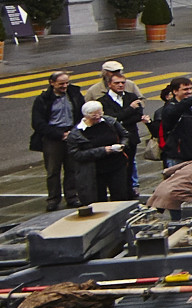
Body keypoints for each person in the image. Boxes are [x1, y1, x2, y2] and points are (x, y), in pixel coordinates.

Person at [29, 70, 85, 209]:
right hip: (53, 137)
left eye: (66, 82)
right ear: (52, 83)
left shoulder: (74, 94)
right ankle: (53, 199)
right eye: (61, 83)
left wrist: (74, 132)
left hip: (72, 133)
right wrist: (59, 135)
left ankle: (71, 197)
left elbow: (82, 113)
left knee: (72, 169)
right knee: (53, 171)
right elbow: (38, 123)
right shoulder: (43, 99)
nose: (65, 86)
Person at [65, 100, 131, 204]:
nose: (98, 116)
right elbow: (76, 155)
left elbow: (125, 135)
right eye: (94, 114)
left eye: (100, 113)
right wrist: (103, 150)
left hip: (117, 166)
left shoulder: (110, 122)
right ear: (86, 115)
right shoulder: (76, 133)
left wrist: (123, 145)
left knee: (120, 196)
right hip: (95, 170)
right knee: (99, 200)